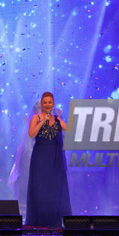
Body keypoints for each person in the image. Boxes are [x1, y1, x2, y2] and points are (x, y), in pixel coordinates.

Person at [26, 92, 71, 228]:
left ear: (53, 104)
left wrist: (62, 117)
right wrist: (42, 122)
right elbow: (31, 134)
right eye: (45, 102)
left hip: (54, 160)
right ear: (41, 104)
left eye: (49, 102)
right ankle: (38, 221)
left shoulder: (57, 120)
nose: (47, 105)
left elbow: (70, 129)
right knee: (40, 188)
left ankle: (53, 221)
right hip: (40, 160)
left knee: (54, 189)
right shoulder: (36, 118)